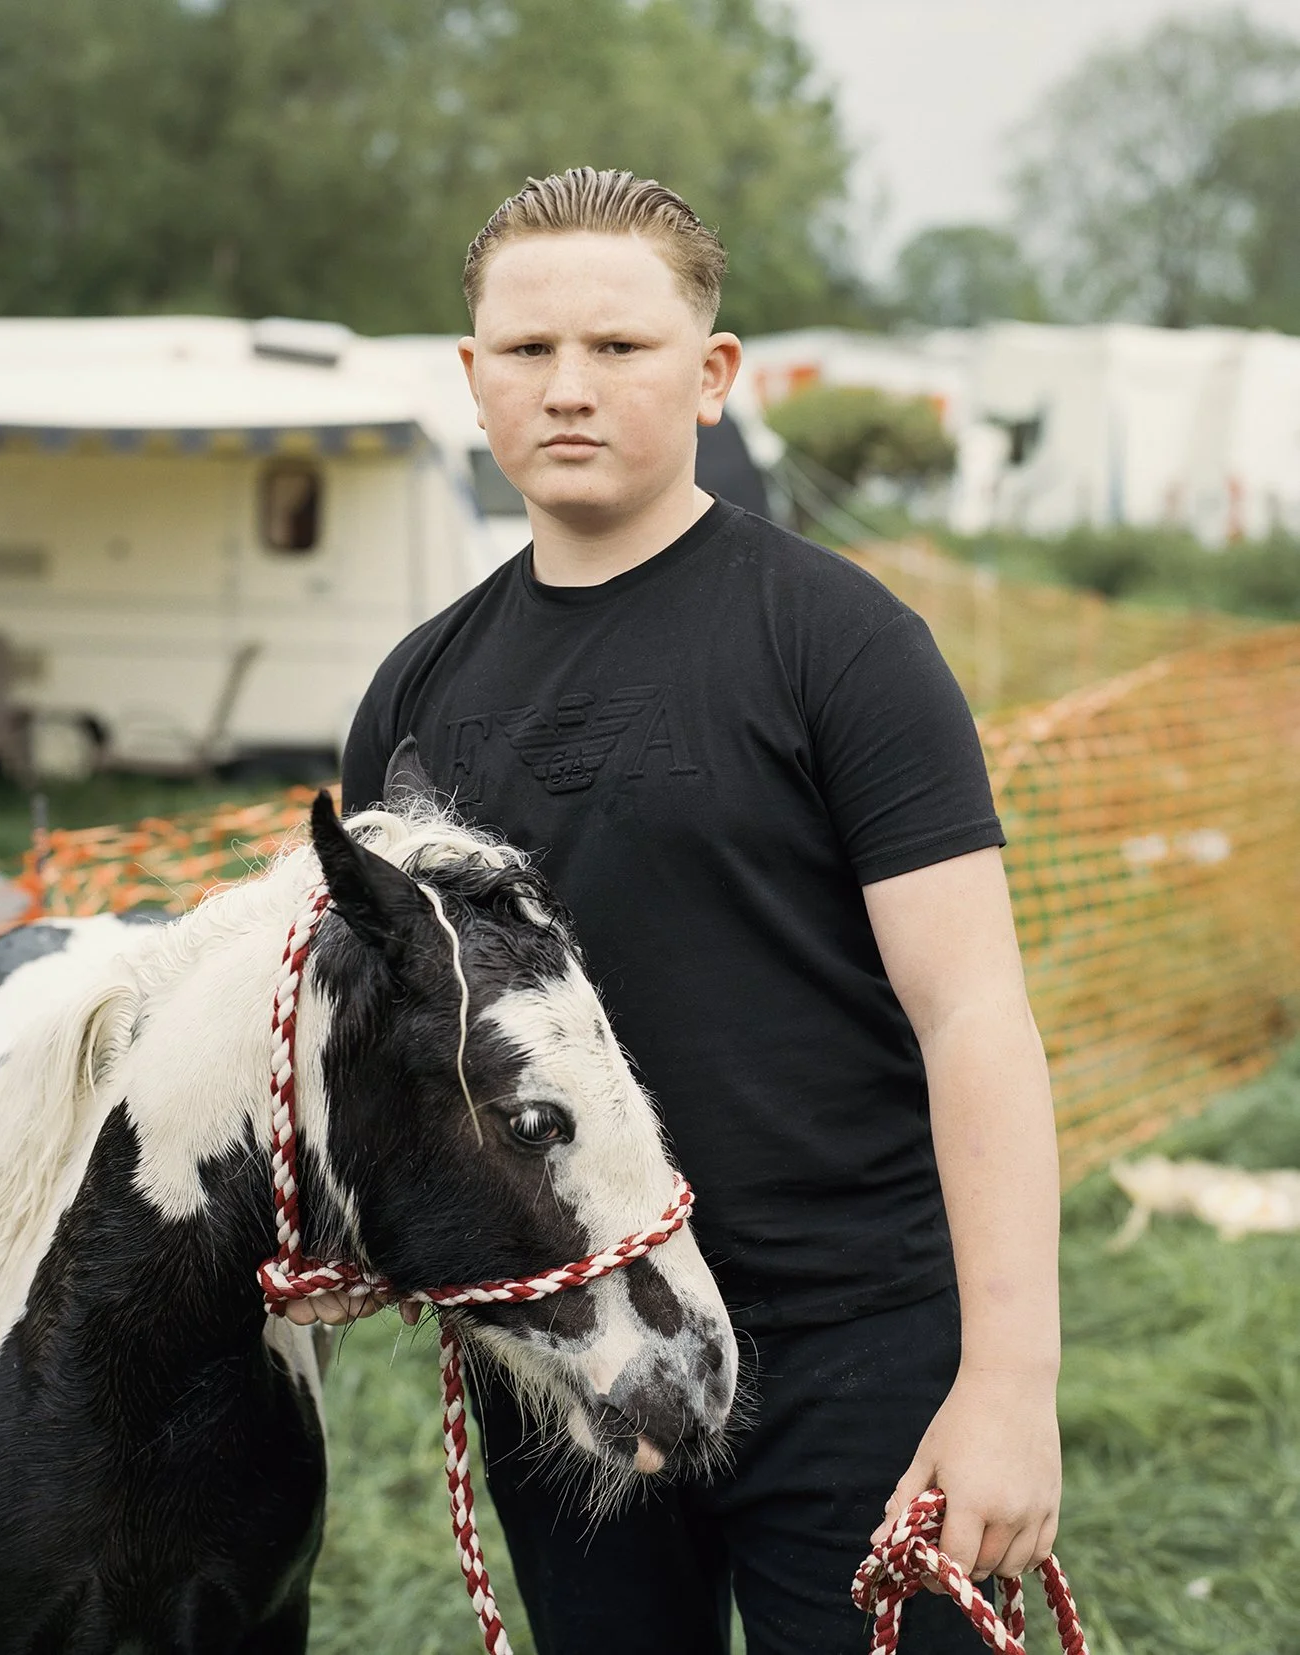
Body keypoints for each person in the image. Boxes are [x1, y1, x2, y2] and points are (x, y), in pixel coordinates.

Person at [339, 167, 1061, 1655]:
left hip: (852, 1342)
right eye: (528, 349)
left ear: (714, 373)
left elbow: (972, 1014)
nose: (569, 386)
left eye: (619, 345)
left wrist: (1008, 1383)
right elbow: (389, 1040)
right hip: (570, 1350)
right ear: (471, 375)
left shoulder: (839, 644)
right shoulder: (413, 695)